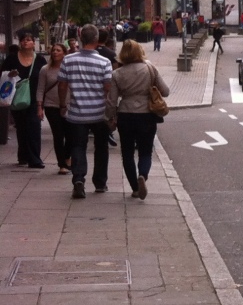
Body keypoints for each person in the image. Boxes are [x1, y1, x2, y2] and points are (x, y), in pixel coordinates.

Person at [106, 39, 169, 200]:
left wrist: (111, 118)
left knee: (126, 153)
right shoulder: (149, 67)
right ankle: (143, 175)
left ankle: (134, 188)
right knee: (145, 151)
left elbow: (112, 101)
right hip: (146, 114)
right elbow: (165, 91)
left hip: (126, 114)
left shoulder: (117, 74)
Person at [58, 24, 114, 198]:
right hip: (99, 113)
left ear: (81, 39)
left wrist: (62, 105)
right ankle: (100, 183)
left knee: (78, 147)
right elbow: (107, 87)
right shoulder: (105, 62)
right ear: (97, 40)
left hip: (77, 113)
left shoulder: (68, 60)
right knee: (101, 147)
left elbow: (62, 85)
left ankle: (79, 179)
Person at [3, 31, 47, 167]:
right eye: (23, 40)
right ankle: (23, 156)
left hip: (34, 99)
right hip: (17, 97)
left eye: (28, 39)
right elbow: (3, 75)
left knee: (34, 127)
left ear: (34, 43)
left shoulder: (39, 60)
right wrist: (10, 74)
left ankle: (35, 159)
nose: (25, 42)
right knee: (21, 128)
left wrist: (43, 102)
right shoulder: (12, 58)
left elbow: (44, 79)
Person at [36, 43, 71, 173]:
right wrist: (39, 107)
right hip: (51, 106)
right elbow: (40, 89)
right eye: (53, 50)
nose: (55, 52)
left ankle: (67, 157)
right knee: (58, 134)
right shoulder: (45, 69)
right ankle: (62, 164)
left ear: (64, 53)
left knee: (71, 134)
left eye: (58, 50)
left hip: (68, 106)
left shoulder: (69, 69)